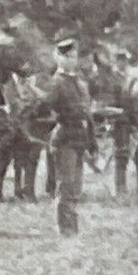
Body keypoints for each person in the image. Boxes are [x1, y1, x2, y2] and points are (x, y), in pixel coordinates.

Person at [47, 37, 93, 236]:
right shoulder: (56, 82)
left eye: (74, 56)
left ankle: (72, 229)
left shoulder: (79, 82)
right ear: (58, 58)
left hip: (79, 138)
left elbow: (87, 111)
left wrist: (92, 140)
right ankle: (66, 231)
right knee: (66, 185)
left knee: (75, 187)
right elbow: (46, 106)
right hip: (65, 137)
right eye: (67, 57)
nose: (72, 60)